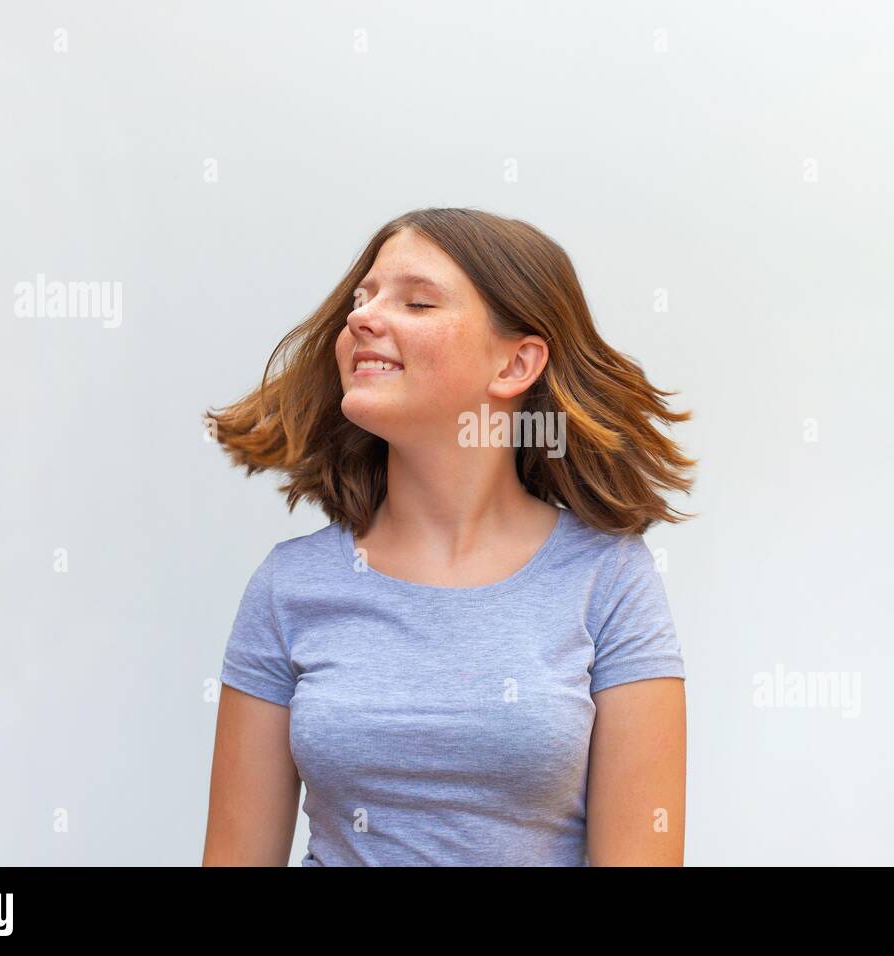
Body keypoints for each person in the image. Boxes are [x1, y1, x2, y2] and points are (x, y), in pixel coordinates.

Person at [201, 207, 695, 866]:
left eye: (417, 301)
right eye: (363, 297)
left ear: (516, 364)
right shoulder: (288, 587)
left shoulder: (610, 579)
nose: (362, 318)